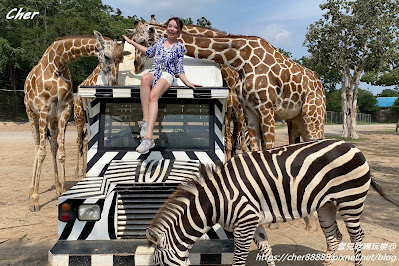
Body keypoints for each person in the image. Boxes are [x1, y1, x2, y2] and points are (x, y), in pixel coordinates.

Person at [123, 17, 201, 154]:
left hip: (167, 74)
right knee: (145, 78)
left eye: (175, 27)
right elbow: (147, 52)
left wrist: (187, 82)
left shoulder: (179, 47)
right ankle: (145, 121)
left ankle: (148, 138)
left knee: (153, 96)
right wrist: (131, 42)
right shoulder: (160, 42)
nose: (171, 29)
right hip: (155, 71)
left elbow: (179, 68)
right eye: (169, 26)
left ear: (179, 31)